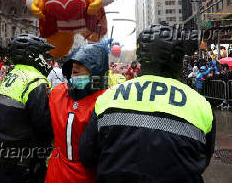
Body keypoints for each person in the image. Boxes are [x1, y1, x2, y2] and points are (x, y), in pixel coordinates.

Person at [79, 24, 215, 183]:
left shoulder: (108, 98)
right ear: (178, 59)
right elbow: (202, 160)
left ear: (140, 58)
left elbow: (87, 156)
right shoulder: (200, 105)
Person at [0, 34, 55, 183]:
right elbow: (44, 126)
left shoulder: (11, 75)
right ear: (33, 56)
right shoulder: (36, 80)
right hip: (19, 161)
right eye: (43, 56)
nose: (45, 61)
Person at [45, 43, 109, 183]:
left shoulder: (107, 101)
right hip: (57, 172)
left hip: (88, 176)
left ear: (96, 71)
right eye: (73, 67)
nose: (74, 68)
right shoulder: (58, 93)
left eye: (82, 64)